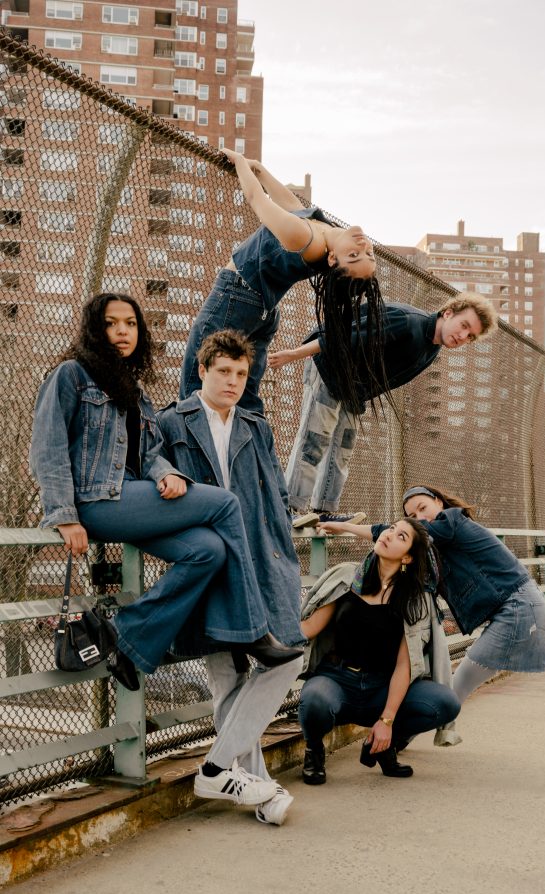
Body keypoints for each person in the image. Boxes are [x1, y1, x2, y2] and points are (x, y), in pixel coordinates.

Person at [29, 292, 302, 786]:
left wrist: (166, 474)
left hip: (133, 499)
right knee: (225, 503)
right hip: (96, 500)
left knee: (208, 549)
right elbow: (47, 444)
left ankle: (128, 639)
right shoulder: (71, 375)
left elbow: (150, 454)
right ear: (95, 329)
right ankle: (253, 631)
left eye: (131, 323)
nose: (123, 331)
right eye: (111, 323)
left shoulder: (134, 390)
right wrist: (64, 516)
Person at [157, 329, 304, 825]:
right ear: (202, 371)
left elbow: (277, 493)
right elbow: (153, 475)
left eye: (241, 373)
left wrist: (284, 547)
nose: (234, 381)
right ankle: (260, 792)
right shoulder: (171, 421)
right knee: (227, 676)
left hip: (262, 558)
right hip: (211, 560)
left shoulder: (256, 425)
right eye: (224, 371)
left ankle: (217, 767)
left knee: (287, 656)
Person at [179, 149, 391, 424]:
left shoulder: (304, 238)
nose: (363, 246)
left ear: (332, 260)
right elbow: (291, 203)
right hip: (262, 311)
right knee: (247, 398)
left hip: (237, 297)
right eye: (368, 254)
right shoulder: (324, 230)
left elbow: (256, 200)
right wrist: (258, 169)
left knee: (196, 380)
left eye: (353, 256)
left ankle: (187, 446)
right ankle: (254, 449)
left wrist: (240, 162)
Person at [268, 292, 498, 527]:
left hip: (354, 388)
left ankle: (324, 509)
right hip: (330, 365)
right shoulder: (408, 322)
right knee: (316, 438)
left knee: (343, 447)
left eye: (470, 336)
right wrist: (293, 354)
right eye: (464, 325)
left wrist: (359, 397)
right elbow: (344, 338)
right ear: (448, 313)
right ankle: (289, 507)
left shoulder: (431, 350)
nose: (463, 336)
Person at [298, 518, 461, 785]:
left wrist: (387, 721)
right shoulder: (347, 577)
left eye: (401, 536)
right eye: (391, 529)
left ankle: (384, 745)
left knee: (445, 703)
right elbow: (309, 628)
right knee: (314, 700)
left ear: (407, 558)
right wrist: (267, 635)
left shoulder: (414, 598)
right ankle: (314, 751)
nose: (389, 534)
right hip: (337, 679)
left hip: (383, 688)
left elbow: (404, 666)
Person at [401, 486, 545, 703]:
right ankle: (438, 719)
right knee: (456, 688)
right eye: (413, 516)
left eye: (423, 508)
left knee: (456, 689)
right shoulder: (440, 540)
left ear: (439, 502)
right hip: (521, 606)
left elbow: (402, 534)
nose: (421, 518)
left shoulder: (452, 521)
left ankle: (427, 720)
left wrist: (354, 528)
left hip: (519, 608)